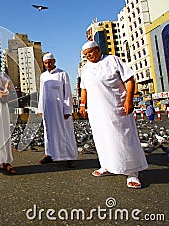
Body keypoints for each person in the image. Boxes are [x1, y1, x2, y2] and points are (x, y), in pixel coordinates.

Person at [79, 41, 148, 189]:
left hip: (116, 107)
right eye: (85, 55)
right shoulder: (85, 69)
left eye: (90, 52)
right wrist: (82, 104)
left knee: (123, 138)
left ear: (97, 49)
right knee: (101, 138)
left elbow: (129, 80)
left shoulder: (112, 60)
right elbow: (83, 89)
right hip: (96, 110)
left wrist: (129, 100)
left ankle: (132, 173)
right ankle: (107, 165)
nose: (88, 56)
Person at [37, 53, 78, 167]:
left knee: (65, 132)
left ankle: (69, 157)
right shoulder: (43, 76)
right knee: (48, 132)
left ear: (54, 61)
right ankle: (50, 154)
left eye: (50, 62)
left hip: (60, 109)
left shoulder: (62, 74)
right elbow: (42, 93)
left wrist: (67, 110)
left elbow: (68, 93)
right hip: (48, 109)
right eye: (45, 63)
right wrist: (41, 108)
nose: (48, 65)